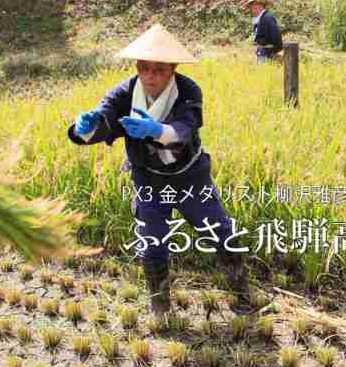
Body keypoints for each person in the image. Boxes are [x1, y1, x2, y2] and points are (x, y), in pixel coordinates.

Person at [67, 24, 253, 318]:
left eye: (159, 70)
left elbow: (185, 128)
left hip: (190, 177)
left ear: (173, 69)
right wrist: (87, 128)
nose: (151, 77)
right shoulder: (125, 92)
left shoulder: (188, 90)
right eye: (144, 69)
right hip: (149, 179)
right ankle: (160, 305)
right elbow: (105, 118)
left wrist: (157, 130)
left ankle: (243, 292)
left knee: (220, 230)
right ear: (137, 68)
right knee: (152, 240)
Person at [244, 0, 283, 64]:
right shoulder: (260, 18)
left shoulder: (267, 17)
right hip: (262, 51)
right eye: (252, 6)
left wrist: (273, 51)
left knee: (266, 71)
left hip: (268, 52)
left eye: (255, 5)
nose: (253, 9)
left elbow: (276, 37)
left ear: (261, 6)